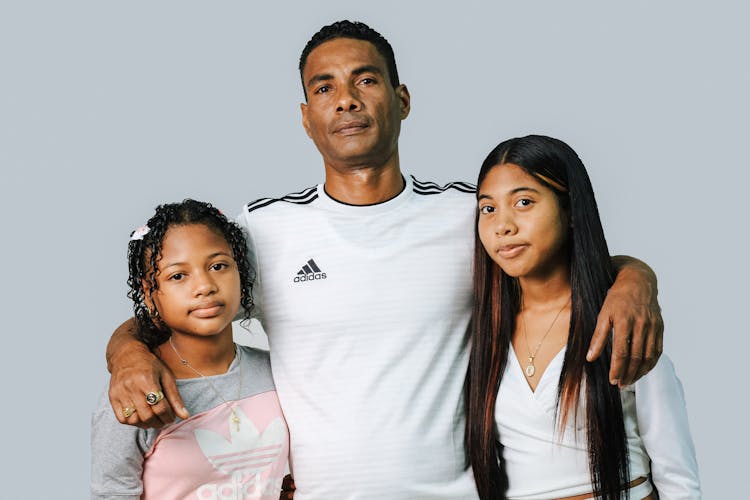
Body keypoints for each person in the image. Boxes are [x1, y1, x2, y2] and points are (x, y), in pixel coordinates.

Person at [104, 21, 664, 499]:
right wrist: (126, 352)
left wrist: (636, 277)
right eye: (324, 88)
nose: (345, 99)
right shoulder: (260, 231)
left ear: (402, 100)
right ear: (305, 116)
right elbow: (172, 291)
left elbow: (559, 255)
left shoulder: (464, 215)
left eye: (364, 80)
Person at [466, 135, 700, 500]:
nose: (502, 226)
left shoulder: (621, 319)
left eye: (524, 202)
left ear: (571, 211)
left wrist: (637, 279)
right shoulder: (480, 328)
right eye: (488, 209)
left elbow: (678, 478)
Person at [91, 200, 289, 499]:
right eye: (178, 275)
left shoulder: (277, 372)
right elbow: (111, 493)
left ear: (240, 272)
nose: (205, 286)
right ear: (149, 293)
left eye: (218, 266)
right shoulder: (138, 392)